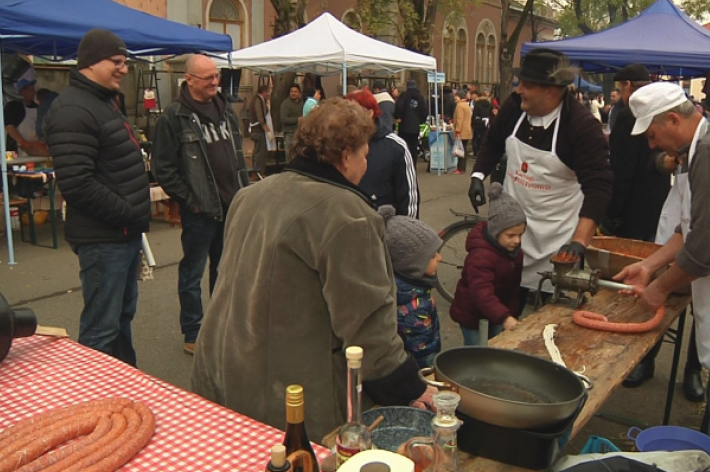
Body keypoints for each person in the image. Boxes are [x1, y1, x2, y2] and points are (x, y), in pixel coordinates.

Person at [190, 97, 435, 441]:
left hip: (220, 372)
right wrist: (409, 386)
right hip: (285, 398)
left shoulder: (251, 194)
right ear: (346, 154)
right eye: (365, 155)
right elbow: (367, 327)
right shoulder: (349, 216)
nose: (367, 164)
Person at [614, 81, 710, 451]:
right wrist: (649, 266)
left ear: (671, 120)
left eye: (652, 135)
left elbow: (704, 247)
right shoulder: (701, 144)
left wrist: (659, 288)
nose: (651, 146)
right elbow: (688, 227)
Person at [469, 48, 612, 310]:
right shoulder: (514, 107)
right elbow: (493, 142)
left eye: (527, 85)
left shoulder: (580, 125)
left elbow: (599, 188)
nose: (518, 89)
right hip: (510, 233)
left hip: (555, 239)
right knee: (502, 310)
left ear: (551, 90)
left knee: (550, 320)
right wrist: (478, 174)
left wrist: (580, 241)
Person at [45, 29, 150, 367]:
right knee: (100, 331)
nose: (124, 69)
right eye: (116, 62)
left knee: (119, 320)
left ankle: (127, 391)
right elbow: (77, 184)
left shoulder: (102, 101)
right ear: (92, 63)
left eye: (125, 62)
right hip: (105, 238)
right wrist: (127, 213)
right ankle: (92, 404)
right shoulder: (72, 109)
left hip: (122, 234)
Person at [152, 54, 250, 355]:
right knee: (192, 272)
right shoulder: (175, 117)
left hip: (230, 207)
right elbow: (163, 168)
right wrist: (190, 200)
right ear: (190, 79)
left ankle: (219, 328)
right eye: (208, 77)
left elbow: (237, 157)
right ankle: (193, 332)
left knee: (224, 271)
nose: (215, 81)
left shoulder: (227, 111)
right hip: (199, 213)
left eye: (216, 75)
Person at [602, 64, 672, 389]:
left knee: (631, 286)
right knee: (649, 280)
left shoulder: (630, 115)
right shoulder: (662, 111)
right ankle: (646, 359)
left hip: (634, 213)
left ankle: (633, 357)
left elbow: (622, 170)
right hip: (660, 208)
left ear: (628, 85)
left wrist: (612, 212)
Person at [450, 183, 526, 345]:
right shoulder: (481, 256)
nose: (517, 241)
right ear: (495, 232)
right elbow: (481, 293)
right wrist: (505, 317)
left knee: (496, 347)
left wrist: (512, 313)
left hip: (498, 313)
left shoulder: (515, 252)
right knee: (476, 354)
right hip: (472, 315)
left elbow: (514, 287)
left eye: (520, 235)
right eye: (511, 235)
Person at [378, 204, 442, 368]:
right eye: (433, 256)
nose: (440, 258)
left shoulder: (404, 289)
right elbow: (423, 353)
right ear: (413, 266)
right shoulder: (416, 308)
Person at [346, 89, 419, 218]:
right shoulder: (339, 145)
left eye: (353, 113)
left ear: (370, 113)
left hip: (384, 229)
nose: (348, 119)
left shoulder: (395, 147)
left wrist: (403, 232)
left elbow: (409, 200)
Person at [5, 77, 48, 157]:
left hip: (37, 149)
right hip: (18, 149)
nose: (34, 93)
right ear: (23, 92)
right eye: (31, 90)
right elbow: (10, 127)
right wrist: (24, 143)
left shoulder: (37, 107)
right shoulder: (12, 106)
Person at [394, 79, 428, 164]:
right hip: (415, 127)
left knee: (404, 147)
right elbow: (424, 111)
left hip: (404, 127)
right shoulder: (420, 97)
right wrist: (420, 121)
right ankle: (413, 165)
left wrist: (398, 116)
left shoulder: (404, 96)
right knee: (413, 148)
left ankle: (405, 164)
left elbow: (399, 108)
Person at [248, 84, 271, 176]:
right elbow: (260, 116)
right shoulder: (258, 100)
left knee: (257, 151)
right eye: (268, 92)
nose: (268, 94)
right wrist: (267, 130)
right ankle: (259, 172)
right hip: (257, 130)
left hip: (255, 130)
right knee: (261, 152)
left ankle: (255, 172)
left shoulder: (259, 100)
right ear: (264, 92)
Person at [452, 89, 472, 175]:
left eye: (456, 96)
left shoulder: (459, 106)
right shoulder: (466, 105)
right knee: (463, 150)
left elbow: (460, 119)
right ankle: (462, 168)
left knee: (460, 151)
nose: (454, 98)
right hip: (467, 130)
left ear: (460, 97)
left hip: (461, 131)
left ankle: (460, 168)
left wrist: (457, 130)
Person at [279, 83, 303, 156]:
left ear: (299, 93)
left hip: (299, 133)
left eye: (295, 92)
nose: (293, 93)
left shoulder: (301, 103)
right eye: (292, 91)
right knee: (289, 154)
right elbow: (283, 119)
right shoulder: (286, 103)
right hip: (289, 133)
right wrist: (297, 120)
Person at [472, 89, 491, 155]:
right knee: (483, 137)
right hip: (485, 122)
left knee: (476, 138)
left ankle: (476, 152)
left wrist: (472, 123)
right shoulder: (489, 103)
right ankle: (482, 151)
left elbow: (474, 113)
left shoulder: (477, 103)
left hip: (478, 122)